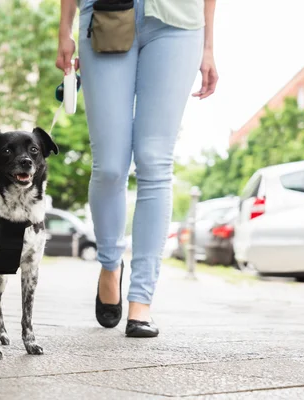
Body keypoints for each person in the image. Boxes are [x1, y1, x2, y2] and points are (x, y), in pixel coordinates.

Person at [56, 0, 217, 337]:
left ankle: (141, 301)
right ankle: (110, 264)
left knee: (154, 159)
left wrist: (208, 46)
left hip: (179, 22)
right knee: (111, 166)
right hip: (105, 13)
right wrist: (65, 30)